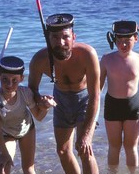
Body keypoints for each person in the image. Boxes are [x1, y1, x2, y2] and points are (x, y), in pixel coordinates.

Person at [28, 13, 100, 174]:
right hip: (60, 99)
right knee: (62, 151)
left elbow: (95, 95)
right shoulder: (39, 60)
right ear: (48, 38)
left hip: (85, 99)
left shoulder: (88, 55)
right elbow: (32, 89)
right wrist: (41, 101)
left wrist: (87, 135)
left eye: (65, 37)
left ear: (73, 37)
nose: (60, 42)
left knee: (84, 149)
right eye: (54, 37)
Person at [0, 56, 56, 174]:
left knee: (28, 169)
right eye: (5, 79)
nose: (9, 84)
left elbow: (39, 117)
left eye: (14, 80)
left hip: (27, 130)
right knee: (2, 168)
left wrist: (45, 107)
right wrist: (4, 153)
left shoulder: (25, 93)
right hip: (6, 134)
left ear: (22, 78)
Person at [100, 21, 139, 173]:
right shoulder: (106, 59)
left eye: (127, 41)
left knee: (131, 146)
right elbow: (98, 87)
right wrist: (92, 110)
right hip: (112, 105)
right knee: (114, 146)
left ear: (136, 38)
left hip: (132, 105)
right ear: (114, 39)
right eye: (119, 41)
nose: (123, 45)